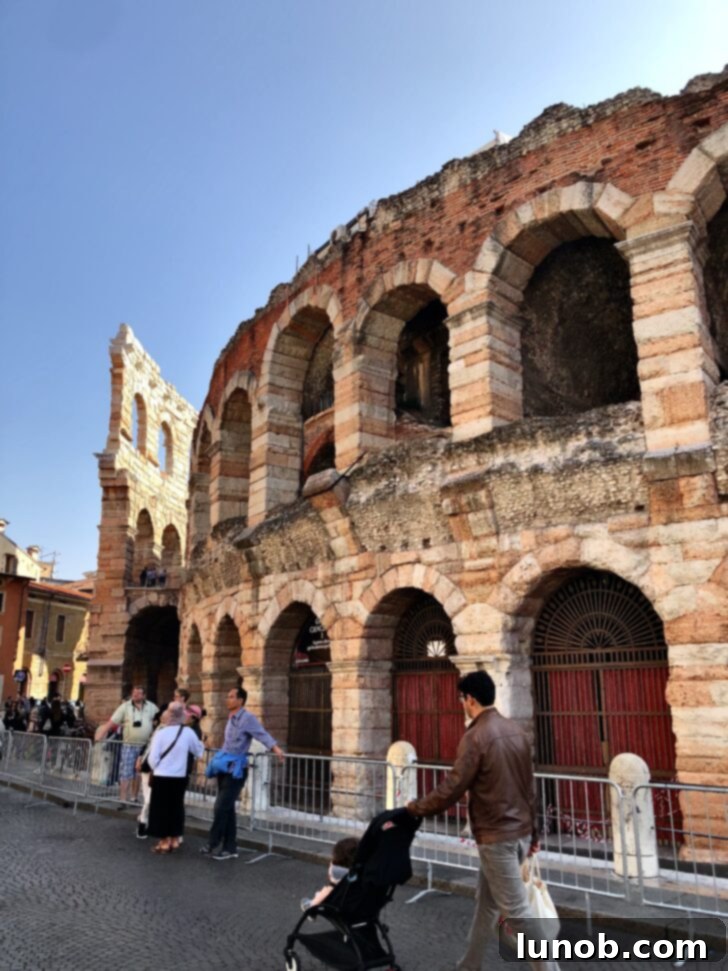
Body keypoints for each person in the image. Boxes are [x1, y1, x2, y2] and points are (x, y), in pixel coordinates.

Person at [406, 671, 559, 971]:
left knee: (517, 911)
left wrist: (414, 809)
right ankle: (469, 965)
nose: (462, 703)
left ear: (470, 699)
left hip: (496, 835)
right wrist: (536, 833)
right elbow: (530, 788)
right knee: (486, 904)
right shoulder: (516, 731)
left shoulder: (475, 737)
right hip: (520, 831)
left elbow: (453, 786)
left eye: (462, 698)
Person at [200, 687, 285, 861]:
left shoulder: (247, 718)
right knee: (228, 810)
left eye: (231, 697)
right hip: (225, 768)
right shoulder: (231, 719)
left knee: (220, 807)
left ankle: (212, 842)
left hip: (237, 771)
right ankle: (230, 848)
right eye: (227, 696)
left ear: (240, 700)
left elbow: (262, 734)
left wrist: (276, 749)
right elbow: (228, 744)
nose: (227, 699)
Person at [147, 702, 204, 853]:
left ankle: (164, 841)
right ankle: (174, 838)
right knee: (176, 807)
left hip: (162, 776)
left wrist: (158, 767)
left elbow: (152, 758)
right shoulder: (188, 732)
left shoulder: (161, 733)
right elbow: (199, 752)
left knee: (161, 808)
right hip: (179, 776)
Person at [97, 685, 159, 804]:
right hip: (129, 745)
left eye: (138, 693)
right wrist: (101, 733)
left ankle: (134, 797)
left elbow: (159, 720)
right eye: (134, 693)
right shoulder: (124, 707)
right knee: (125, 772)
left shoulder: (152, 707)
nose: (135, 695)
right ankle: (122, 799)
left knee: (139, 773)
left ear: (144, 695)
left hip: (145, 747)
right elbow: (112, 721)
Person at [300, 836, 359, 911]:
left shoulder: (341, 875)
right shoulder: (361, 873)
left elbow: (330, 877)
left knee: (328, 890)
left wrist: (333, 866)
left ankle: (311, 906)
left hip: (342, 906)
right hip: (362, 905)